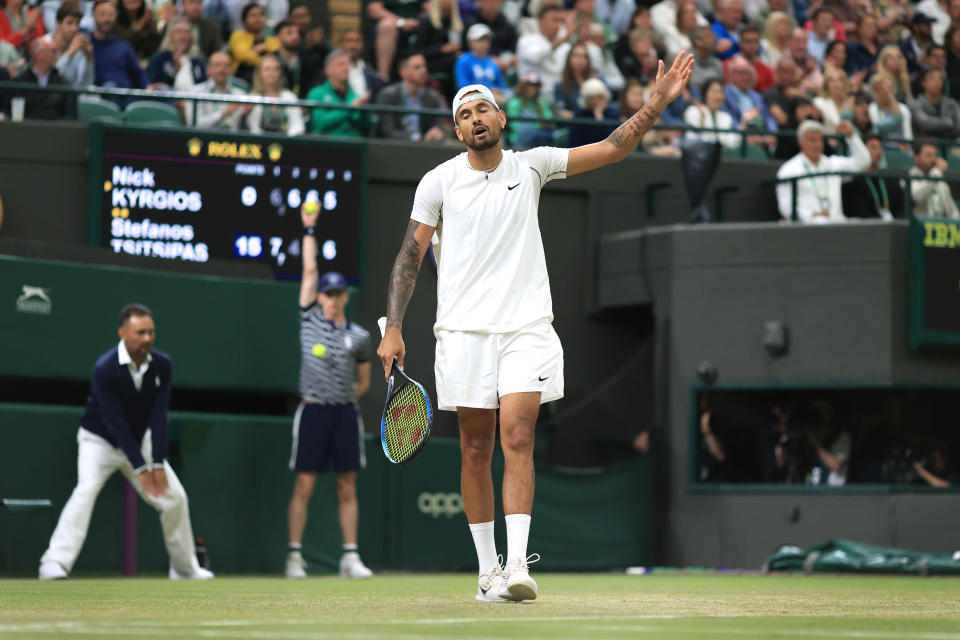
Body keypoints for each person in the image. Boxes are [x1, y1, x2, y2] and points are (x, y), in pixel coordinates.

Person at [376, 52, 695, 602]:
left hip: (526, 328)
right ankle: (487, 573)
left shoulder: (533, 165)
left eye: (484, 110)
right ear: (457, 129)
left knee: (518, 435)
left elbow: (614, 148)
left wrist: (655, 103)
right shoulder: (438, 182)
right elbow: (409, 256)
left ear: (502, 120)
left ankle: (519, 565)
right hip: (462, 333)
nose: (475, 119)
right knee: (475, 450)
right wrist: (394, 328)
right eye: (465, 114)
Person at [38, 304, 214, 581]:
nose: (147, 338)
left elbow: (159, 416)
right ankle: (54, 562)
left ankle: (184, 568)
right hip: (99, 441)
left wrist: (156, 462)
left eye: (151, 333)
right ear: (122, 333)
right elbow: (114, 421)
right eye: (140, 332)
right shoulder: (105, 369)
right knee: (86, 490)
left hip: (139, 440)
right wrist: (141, 469)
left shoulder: (162, 365)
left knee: (175, 498)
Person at [285, 207, 373, 580]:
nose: (333, 298)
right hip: (313, 412)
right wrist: (309, 229)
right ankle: (294, 557)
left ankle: (350, 557)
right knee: (304, 483)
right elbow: (309, 271)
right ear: (320, 297)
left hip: (344, 415)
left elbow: (364, 381)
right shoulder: (309, 319)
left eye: (339, 293)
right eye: (328, 293)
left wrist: (347, 398)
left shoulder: (360, 336)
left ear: (345, 298)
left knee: (346, 484)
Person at [775, 119, 871, 223]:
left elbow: (864, 163)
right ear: (800, 143)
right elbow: (786, 207)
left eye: (820, 140)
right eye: (812, 140)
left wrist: (852, 137)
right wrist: (811, 216)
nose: (818, 144)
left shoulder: (833, 164)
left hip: (838, 225)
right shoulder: (789, 170)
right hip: (807, 229)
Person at [375, 51, 447, 140]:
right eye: (417, 67)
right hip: (393, 149)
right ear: (403, 72)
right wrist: (416, 137)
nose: (424, 71)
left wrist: (437, 132)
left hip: (424, 149)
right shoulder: (388, 95)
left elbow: (439, 125)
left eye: (425, 66)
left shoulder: (433, 97)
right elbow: (387, 131)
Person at [306, 49, 371, 137]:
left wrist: (364, 111)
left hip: (355, 146)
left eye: (348, 64)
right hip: (328, 146)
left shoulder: (356, 96)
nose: (346, 68)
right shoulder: (317, 94)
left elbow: (368, 129)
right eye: (340, 64)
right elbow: (320, 124)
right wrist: (349, 108)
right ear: (327, 70)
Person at [841, 133, 904, 219]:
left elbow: (901, 208)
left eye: (880, 147)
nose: (879, 151)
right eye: (873, 147)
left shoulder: (891, 180)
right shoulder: (854, 183)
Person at [516, 4, 569, 104]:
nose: (558, 25)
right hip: (533, 97)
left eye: (560, 21)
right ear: (540, 21)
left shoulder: (565, 46)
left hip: (560, 96)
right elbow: (535, 57)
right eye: (554, 20)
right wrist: (561, 41)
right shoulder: (526, 40)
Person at [90, 0, 148, 91]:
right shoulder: (86, 45)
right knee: (109, 86)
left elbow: (138, 73)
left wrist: (149, 87)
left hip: (124, 96)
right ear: (93, 16)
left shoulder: (124, 47)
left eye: (111, 15)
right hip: (96, 98)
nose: (107, 19)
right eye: (102, 14)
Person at [188, 50, 249, 129]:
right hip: (203, 139)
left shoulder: (241, 95)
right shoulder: (195, 92)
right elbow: (194, 124)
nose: (221, 69)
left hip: (232, 140)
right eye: (217, 65)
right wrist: (224, 113)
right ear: (208, 70)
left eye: (226, 66)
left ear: (230, 70)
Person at [413, 0, 464, 95]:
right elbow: (419, 52)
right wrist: (442, 49)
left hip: (452, 61)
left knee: (463, 60)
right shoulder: (426, 22)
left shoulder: (456, 23)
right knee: (457, 61)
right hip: (431, 62)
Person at [246, 54, 304, 135]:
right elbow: (252, 127)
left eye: (276, 69)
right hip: (258, 143)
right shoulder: (252, 98)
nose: (271, 73)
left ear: (281, 73)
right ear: (259, 73)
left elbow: (297, 125)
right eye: (267, 69)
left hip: (287, 143)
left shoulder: (290, 97)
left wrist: (288, 140)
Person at [13, 38, 68, 118]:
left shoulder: (60, 81)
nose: (57, 55)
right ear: (39, 54)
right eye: (53, 51)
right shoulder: (21, 81)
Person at [147, 16, 206, 90]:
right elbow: (154, 86)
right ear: (170, 36)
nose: (183, 37)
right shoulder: (159, 59)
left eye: (187, 32)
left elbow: (204, 84)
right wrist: (174, 71)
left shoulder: (197, 61)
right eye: (179, 32)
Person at [43, 3, 93, 87]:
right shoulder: (44, 43)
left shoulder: (79, 46)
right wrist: (69, 53)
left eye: (77, 24)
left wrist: (89, 58)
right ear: (58, 23)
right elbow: (47, 80)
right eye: (69, 23)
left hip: (71, 96)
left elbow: (86, 85)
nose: (74, 28)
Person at [684, 78, 742, 150]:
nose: (718, 96)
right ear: (705, 94)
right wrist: (702, 118)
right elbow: (694, 139)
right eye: (714, 92)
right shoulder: (694, 111)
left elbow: (732, 144)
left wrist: (743, 124)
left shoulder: (726, 117)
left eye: (721, 92)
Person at [228, 2, 279, 84]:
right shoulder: (238, 35)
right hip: (241, 80)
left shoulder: (269, 39)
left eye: (261, 15)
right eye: (253, 15)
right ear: (244, 20)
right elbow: (243, 56)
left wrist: (261, 47)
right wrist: (265, 62)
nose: (258, 19)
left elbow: (277, 48)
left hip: (267, 82)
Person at [909, 138, 960, 218]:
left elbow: (952, 211)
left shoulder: (940, 181)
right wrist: (937, 172)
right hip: (919, 227)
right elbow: (917, 197)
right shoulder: (910, 177)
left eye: (935, 155)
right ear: (916, 158)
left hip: (941, 227)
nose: (933, 159)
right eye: (928, 155)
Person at [725, 54, 777, 131]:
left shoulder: (757, 96)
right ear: (732, 74)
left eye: (749, 73)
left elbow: (768, 118)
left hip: (760, 135)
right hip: (740, 135)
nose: (746, 77)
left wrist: (772, 133)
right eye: (741, 73)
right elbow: (726, 120)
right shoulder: (725, 94)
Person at [503, 71, 554, 149]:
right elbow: (516, 126)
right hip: (518, 141)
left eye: (536, 87)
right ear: (523, 87)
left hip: (540, 139)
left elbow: (549, 120)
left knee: (548, 135)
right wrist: (538, 125)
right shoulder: (514, 103)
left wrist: (538, 125)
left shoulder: (542, 103)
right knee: (541, 135)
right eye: (530, 86)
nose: (533, 89)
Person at [455, 23, 508, 95]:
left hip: (496, 98)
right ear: (470, 42)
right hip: (473, 99)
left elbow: (503, 87)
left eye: (487, 40)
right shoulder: (463, 61)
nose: (484, 43)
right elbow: (463, 87)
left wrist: (500, 92)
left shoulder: (493, 62)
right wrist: (489, 91)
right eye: (480, 40)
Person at [568, 76, 619, 146]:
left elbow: (613, 142)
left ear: (605, 97)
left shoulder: (613, 114)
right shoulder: (579, 114)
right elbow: (574, 142)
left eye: (599, 97)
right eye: (591, 97)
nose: (595, 101)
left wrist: (599, 118)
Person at [273, 18, 316, 97]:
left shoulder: (308, 60)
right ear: (278, 37)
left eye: (297, 33)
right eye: (289, 33)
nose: (295, 37)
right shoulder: (272, 60)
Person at [912, 67, 960, 138]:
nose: (936, 82)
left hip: (949, 143)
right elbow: (924, 123)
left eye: (940, 79)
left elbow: (958, 126)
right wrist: (948, 122)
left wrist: (932, 120)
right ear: (923, 82)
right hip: (925, 144)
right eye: (932, 79)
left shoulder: (951, 103)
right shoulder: (917, 104)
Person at [340, 28, 384, 103]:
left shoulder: (373, 75)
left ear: (362, 44)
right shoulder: (333, 71)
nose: (353, 45)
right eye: (349, 41)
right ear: (341, 44)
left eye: (357, 41)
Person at [725, 25, 774, 91]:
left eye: (755, 41)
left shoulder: (766, 70)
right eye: (748, 41)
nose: (752, 45)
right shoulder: (728, 65)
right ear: (740, 44)